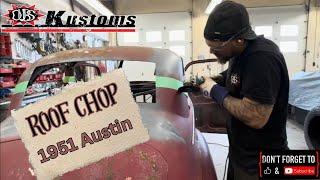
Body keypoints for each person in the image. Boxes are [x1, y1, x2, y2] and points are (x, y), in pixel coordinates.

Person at [199, 1, 290, 179]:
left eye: (216, 47)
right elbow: (233, 78)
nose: (211, 51)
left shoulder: (262, 59)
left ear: (239, 39)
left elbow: (255, 116)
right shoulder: (238, 54)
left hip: (261, 164)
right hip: (241, 156)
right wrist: (209, 80)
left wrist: (214, 90)